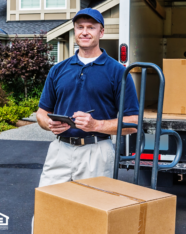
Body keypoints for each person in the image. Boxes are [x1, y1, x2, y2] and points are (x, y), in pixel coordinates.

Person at [31, 8, 139, 233]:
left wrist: (97, 125)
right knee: (47, 212)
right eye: (80, 27)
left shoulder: (118, 72)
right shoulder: (58, 70)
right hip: (59, 151)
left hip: (96, 152)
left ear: (101, 31)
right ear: (75, 31)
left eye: (91, 27)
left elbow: (132, 122)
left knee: (93, 219)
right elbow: (41, 113)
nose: (85, 32)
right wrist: (48, 124)